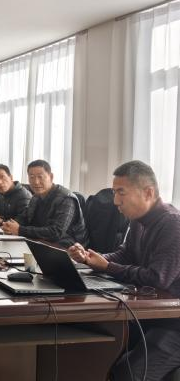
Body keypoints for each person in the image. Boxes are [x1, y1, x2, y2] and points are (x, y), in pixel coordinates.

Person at [69, 161, 180, 381]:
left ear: (148, 192)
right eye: (114, 192)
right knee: (95, 357)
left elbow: (157, 278)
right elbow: (125, 254)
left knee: (126, 374)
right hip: (147, 315)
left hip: (173, 323)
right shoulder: (138, 221)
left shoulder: (173, 224)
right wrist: (91, 258)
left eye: (121, 192)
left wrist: (108, 266)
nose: (115, 201)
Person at [1, 159, 87, 247]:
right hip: (42, 241)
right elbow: (25, 217)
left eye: (40, 177)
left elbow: (56, 232)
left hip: (70, 247)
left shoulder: (66, 198)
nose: (36, 182)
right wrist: (10, 225)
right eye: (32, 177)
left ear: (51, 177)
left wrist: (20, 230)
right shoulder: (36, 197)